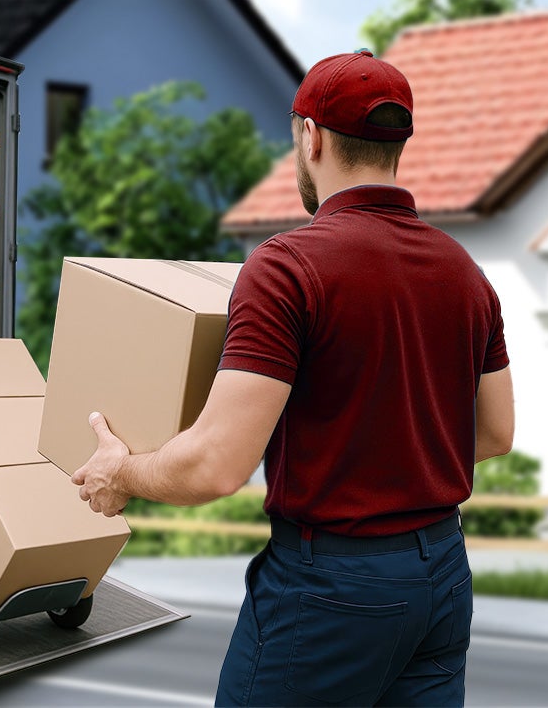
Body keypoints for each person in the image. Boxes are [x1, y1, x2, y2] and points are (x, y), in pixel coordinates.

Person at [70, 49, 514, 706]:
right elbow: (497, 431)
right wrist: (389, 448)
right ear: (398, 143)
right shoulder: (464, 272)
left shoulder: (288, 267)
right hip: (442, 575)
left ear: (310, 136)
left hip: (332, 588)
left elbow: (218, 466)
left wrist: (122, 472)